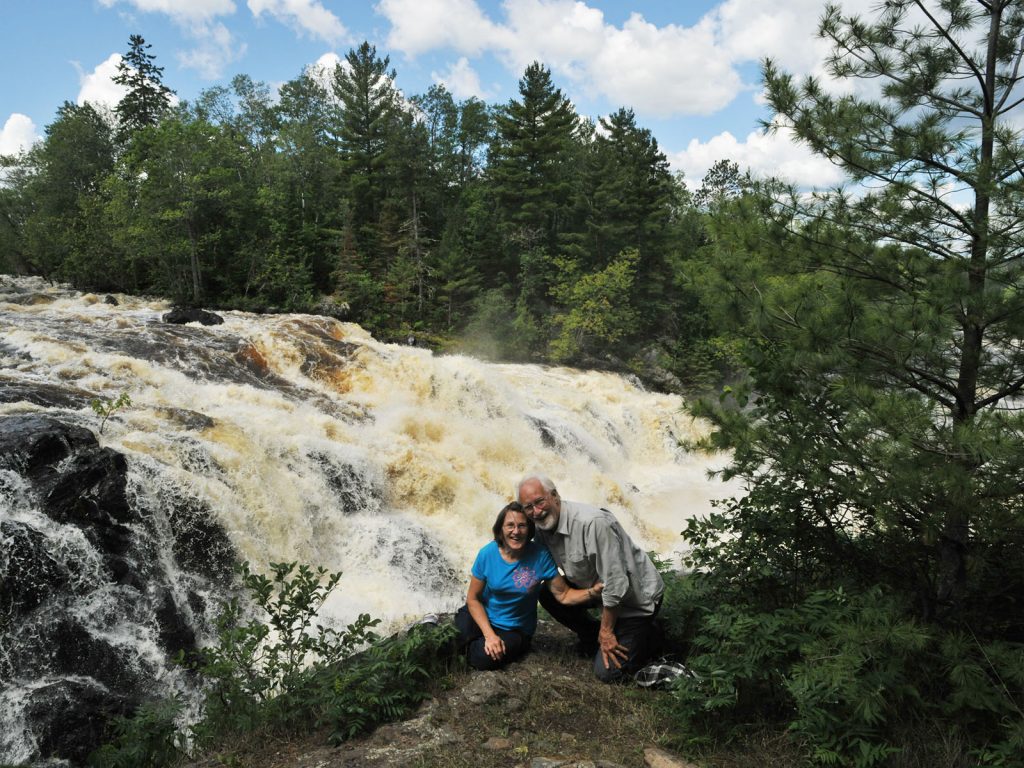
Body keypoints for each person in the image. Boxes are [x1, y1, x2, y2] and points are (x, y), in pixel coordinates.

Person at [516, 474, 664, 682]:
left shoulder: (593, 523)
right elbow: (534, 569)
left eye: (540, 502)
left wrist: (607, 632)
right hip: (596, 590)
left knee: (609, 673)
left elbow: (616, 583)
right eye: (528, 507)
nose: (536, 512)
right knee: (547, 593)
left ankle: (650, 636)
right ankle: (592, 637)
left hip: (635, 600)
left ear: (555, 496)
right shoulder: (542, 530)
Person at [455, 502, 601, 670]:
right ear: (501, 529)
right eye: (510, 525)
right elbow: (473, 599)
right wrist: (489, 635)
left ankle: (471, 648)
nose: (516, 531)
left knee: (483, 659)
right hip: (482, 615)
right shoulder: (487, 553)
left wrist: (593, 592)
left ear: (529, 529)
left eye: (522, 526)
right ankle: (472, 642)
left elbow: (564, 595)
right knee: (453, 636)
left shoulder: (540, 556)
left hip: (514, 628)